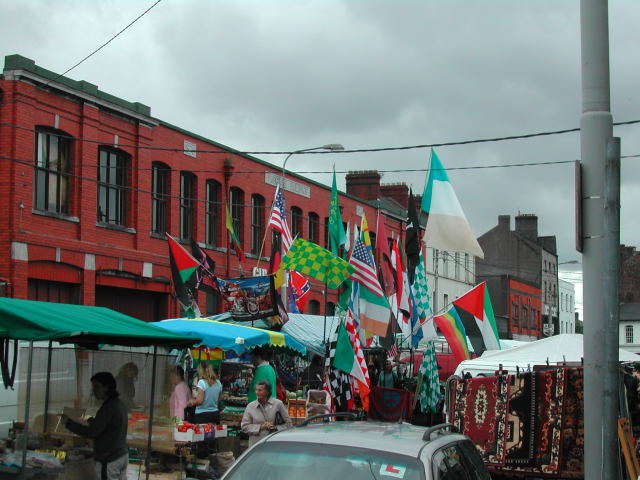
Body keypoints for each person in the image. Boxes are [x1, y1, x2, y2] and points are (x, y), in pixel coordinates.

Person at [62, 372, 128, 480]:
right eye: (93, 387)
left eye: (97, 386)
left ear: (106, 387)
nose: (93, 391)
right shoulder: (118, 403)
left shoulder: (109, 407)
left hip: (109, 459)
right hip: (120, 455)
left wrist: (68, 423)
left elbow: (92, 432)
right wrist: (91, 420)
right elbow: (108, 425)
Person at [241, 380, 292, 446]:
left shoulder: (278, 404)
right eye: (256, 390)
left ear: (267, 391)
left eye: (260, 390)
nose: (257, 392)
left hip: (273, 444)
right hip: (256, 445)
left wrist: (275, 427)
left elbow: (289, 424)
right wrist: (261, 427)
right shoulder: (251, 406)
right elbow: (244, 427)